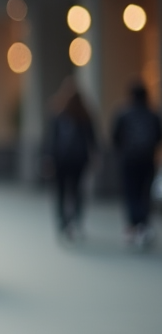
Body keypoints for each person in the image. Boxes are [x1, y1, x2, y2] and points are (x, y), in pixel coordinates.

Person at [111, 81, 162, 249]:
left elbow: (115, 137)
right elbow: (158, 136)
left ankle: (135, 224)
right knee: (144, 193)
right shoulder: (152, 114)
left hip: (129, 160)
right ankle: (142, 225)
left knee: (131, 193)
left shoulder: (123, 114)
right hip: (147, 160)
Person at [47, 77, 97, 240]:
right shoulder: (85, 115)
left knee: (61, 192)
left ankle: (63, 222)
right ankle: (76, 220)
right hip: (79, 160)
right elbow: (92, 139)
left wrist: (49, 158)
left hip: (61, 160)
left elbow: (51, 140)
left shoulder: (59, 114)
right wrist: (95, 157)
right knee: (77, 191)